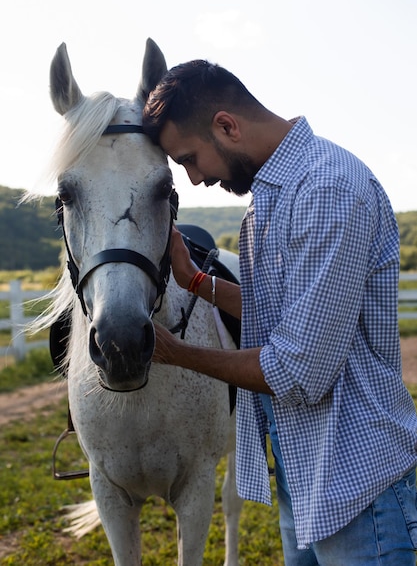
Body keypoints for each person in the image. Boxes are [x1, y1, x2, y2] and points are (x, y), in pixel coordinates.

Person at [142, 59, 417, 565]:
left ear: (226, 126)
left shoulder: (327, 190)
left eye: (190, 159)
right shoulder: (273, 196)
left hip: (357, 484)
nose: (196, 179)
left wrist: (176, 353)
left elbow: (296, 370)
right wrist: (197, 283)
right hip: (305, 470)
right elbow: (288, 315)